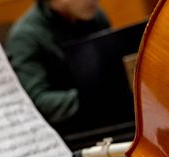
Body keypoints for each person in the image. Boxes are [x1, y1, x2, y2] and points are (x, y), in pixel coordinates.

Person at [6, 0, 110, 139]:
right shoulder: (24, 36)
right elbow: (37, 102)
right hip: (66, 134)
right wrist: (96, 97)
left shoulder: (96, 16)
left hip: (105, 119)